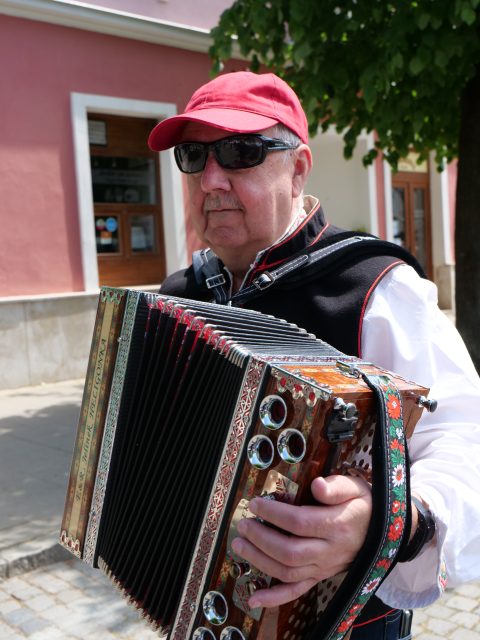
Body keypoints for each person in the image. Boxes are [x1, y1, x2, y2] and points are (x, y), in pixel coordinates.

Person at [147, 71, 480, 639]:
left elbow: (464, 435)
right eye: (194, 156)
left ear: (298, 167)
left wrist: (386, 520)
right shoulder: (179, 297)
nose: (211, 179)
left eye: (240, 152)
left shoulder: (377, 289)